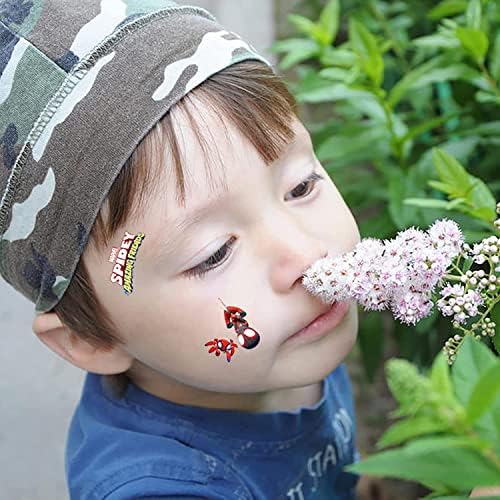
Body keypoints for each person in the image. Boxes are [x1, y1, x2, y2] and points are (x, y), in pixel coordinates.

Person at [0, 1, 419, 499]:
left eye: (301, 186)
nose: (307, 255)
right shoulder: (161, 490)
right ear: (91, 341)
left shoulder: (291, 338)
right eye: (214, 254)